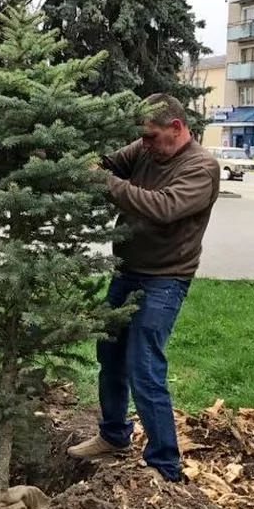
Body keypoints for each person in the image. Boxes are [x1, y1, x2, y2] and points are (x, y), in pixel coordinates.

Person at [67, 93, 221, 481]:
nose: (144, 144)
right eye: (142, 137)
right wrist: (69, 159)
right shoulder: (145, 148)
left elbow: (162, 206)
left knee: (144, 365)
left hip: (165, 279)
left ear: (176, 127)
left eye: (151, 136)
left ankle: (164, 465)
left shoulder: (201, 168)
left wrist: (104, 182)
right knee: (110, 353)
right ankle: (114, 435)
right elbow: (108, 163)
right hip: (128, 270)